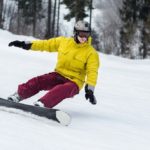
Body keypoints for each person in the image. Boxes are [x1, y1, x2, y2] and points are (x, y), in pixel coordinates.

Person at [8, 20, 100, 108]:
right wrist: (24, 44)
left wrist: (90, 90)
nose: (84, 38)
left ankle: (43, 104)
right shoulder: (63, 42)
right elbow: (45, 44)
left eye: (87, 35)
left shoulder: (91, 53)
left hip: (74, 82)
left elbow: (92, 72)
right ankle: (18, 95)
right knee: (39, 81)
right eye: (82, 34)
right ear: (75, 33)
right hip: (59, 75)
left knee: (61, 89)